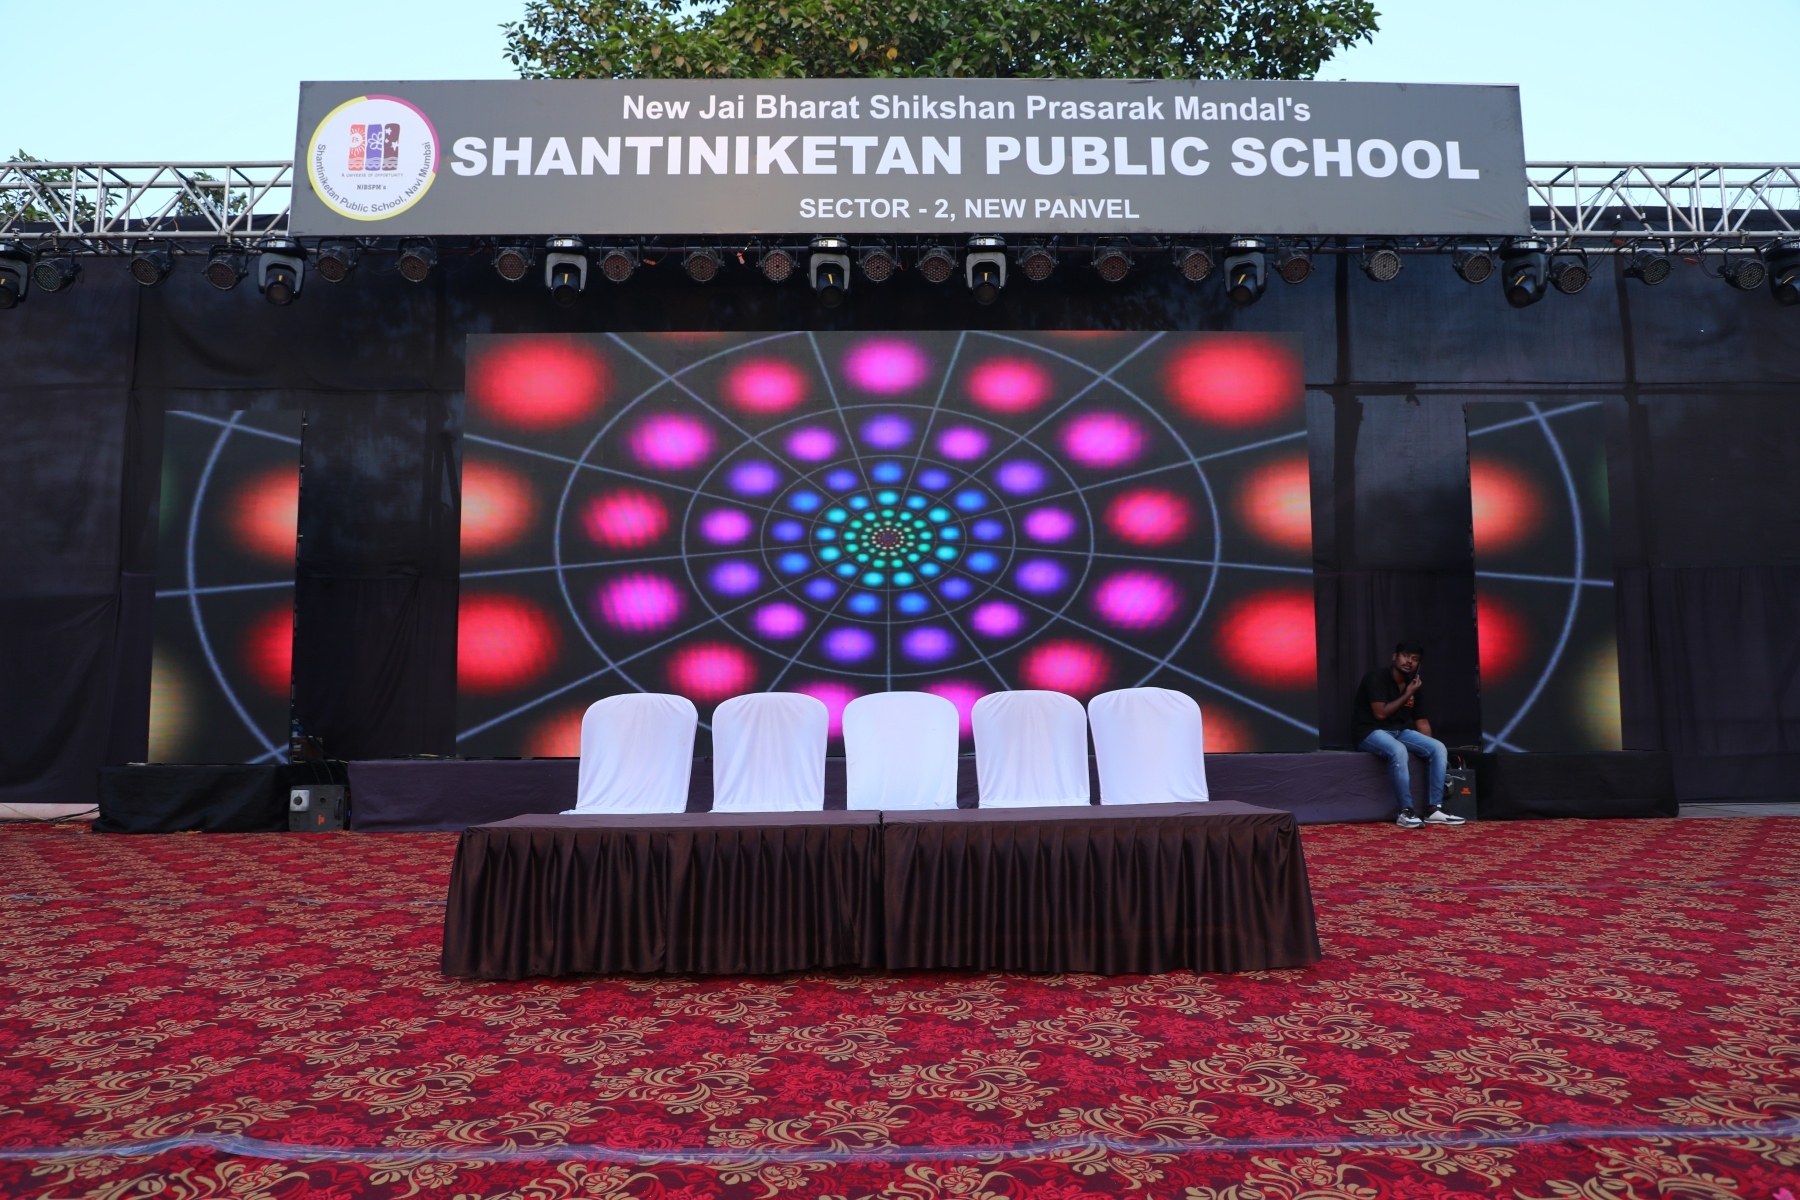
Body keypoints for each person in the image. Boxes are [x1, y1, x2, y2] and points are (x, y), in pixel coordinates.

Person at [1353, 640, 1465, 829]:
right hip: (1369, 732)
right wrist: (1408, 693)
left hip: (1398, 732)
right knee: (1398, 750)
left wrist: (1436, 757)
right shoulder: (1376, 677)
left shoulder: (1413, 686)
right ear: (1395, 656)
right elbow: (1380, 713)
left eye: (1414, 659)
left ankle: (1434, 809)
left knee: (1438, 747)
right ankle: (1405, 811)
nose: (1409, 661)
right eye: (1405, 656)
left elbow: (1422, 722)